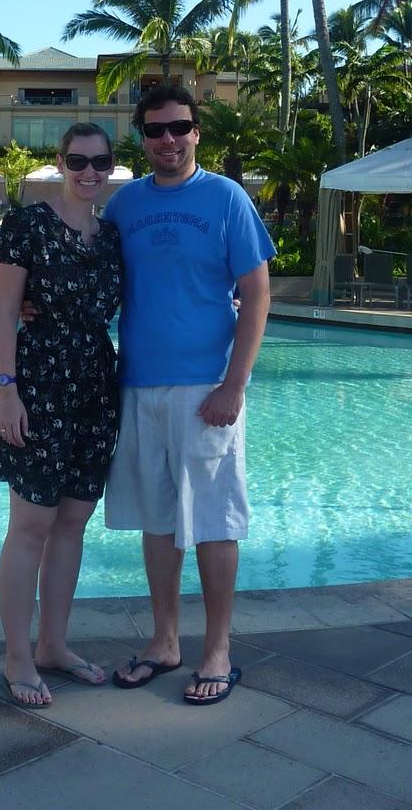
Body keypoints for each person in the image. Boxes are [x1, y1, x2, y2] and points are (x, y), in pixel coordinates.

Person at [102, 85, 274, 706]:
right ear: (142, 139)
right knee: (156, 518)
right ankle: (165, 641)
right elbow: (92, 279)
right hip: (138, 383)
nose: (167, 140)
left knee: (213, 519)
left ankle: (219, 650)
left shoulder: (227, 199)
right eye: (154, 130)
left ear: (197, 131)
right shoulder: (123, 206)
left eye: (179, 127)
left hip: (207, 387)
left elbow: (256, 294)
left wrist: (235, 383)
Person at [0, 123, 123, 707]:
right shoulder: (25, 225)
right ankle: (16, 656)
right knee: (30, 527)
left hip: (96, 388)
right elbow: (4, 312)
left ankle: (54, 645)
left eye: (100, 163)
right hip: (38, 385)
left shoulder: (112, 236)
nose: (89, 173)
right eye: (78, 161)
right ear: (60, 163)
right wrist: (6, 390)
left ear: (111, 166)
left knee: (73, 525)